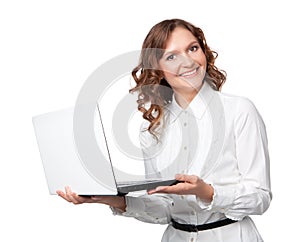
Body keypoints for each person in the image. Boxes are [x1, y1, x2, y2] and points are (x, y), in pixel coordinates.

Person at [57, 19, 272, 242]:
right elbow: (164, 208)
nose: (187, 61)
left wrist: (206, 192)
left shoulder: (239, 110)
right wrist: (113, 200)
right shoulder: (152, 128)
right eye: (171, 57)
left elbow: (260, 198)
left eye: (193, 48)